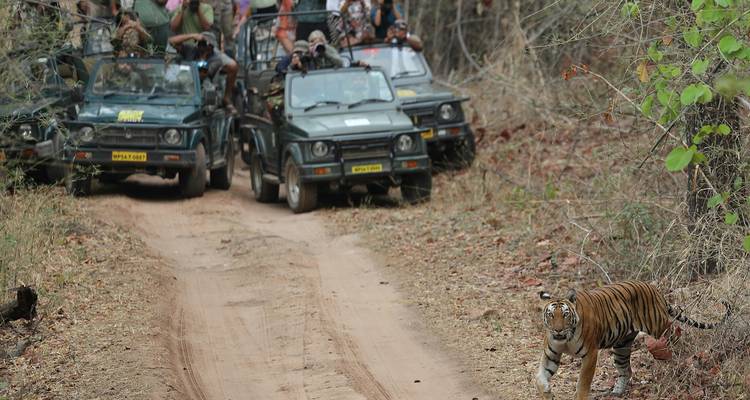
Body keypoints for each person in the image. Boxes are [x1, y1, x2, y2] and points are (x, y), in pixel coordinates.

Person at [169, 31, 239, 113]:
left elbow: (201, 75)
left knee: (208, 107)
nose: (200, 47)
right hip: (185, 83)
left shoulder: (216, 60)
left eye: (204, 44)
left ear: (211, 47)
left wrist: (203, 58)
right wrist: (191, 35)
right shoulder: (191, 50)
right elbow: (171, 41)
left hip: (202, 86)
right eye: (199, 44)